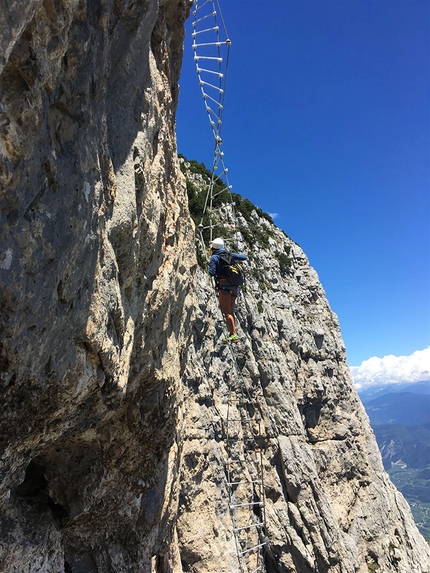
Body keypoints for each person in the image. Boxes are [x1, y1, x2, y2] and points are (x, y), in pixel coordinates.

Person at [208, 237, 247, 343]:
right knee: (231, 310)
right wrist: (231, 255)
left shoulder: (215, 257)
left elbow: (212, 272)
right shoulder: (229, 255)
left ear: (213, 248)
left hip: (224, 286)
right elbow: (244, 257)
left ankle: (234, 335)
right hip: (234, 286)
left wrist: (210, 264)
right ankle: (232, 334)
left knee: (227, 312)